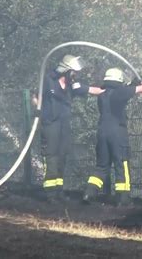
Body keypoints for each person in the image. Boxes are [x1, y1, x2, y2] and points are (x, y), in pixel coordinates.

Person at [38, 54, 104, 202]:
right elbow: (36, 96)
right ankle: (50, 193)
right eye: (74, 71)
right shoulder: (48, 81)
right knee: (52, 157)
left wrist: (114, 89)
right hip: (50, 125)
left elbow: (92, 90)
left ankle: (59, 190)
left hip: (64, 126)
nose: (76, 75)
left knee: (62, 156)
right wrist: (39, 112)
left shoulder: (72, 86)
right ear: (66, 70)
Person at [82, 67, 142, 206]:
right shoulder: (120, 93)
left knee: (101, 166)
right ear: (119, 80)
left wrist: (133, 84)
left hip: (102, 132)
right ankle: (123, 199)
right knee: (122, 164)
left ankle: (89, 193)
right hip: (117, 134)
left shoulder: (103, 94)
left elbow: (125, 92)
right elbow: (139, 90)